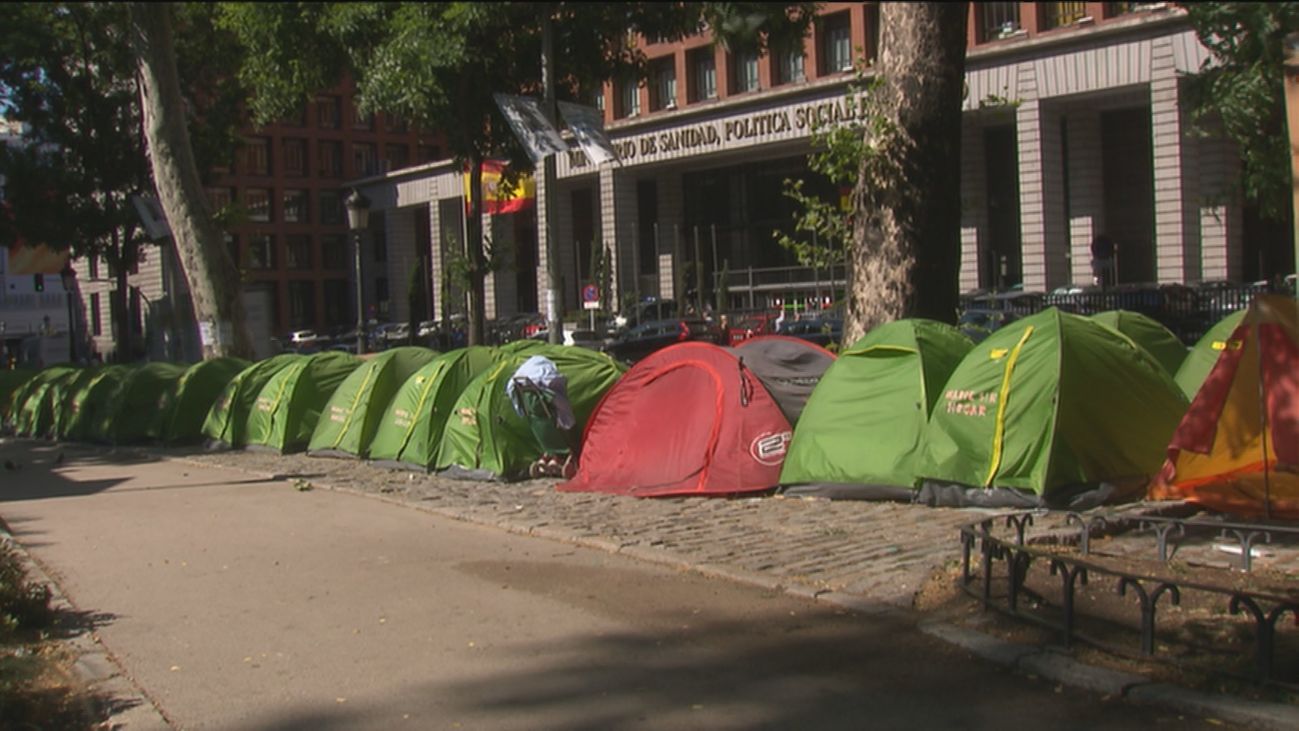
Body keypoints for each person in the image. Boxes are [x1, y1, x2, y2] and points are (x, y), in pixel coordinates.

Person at [506, 355, 578, 479]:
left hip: (536, 416)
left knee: (544, 424)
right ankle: (560, 456)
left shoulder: (525, 394)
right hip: (548, 414)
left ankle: (549, 456)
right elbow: (562, 405)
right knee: (558, 421)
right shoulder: (546, 395)